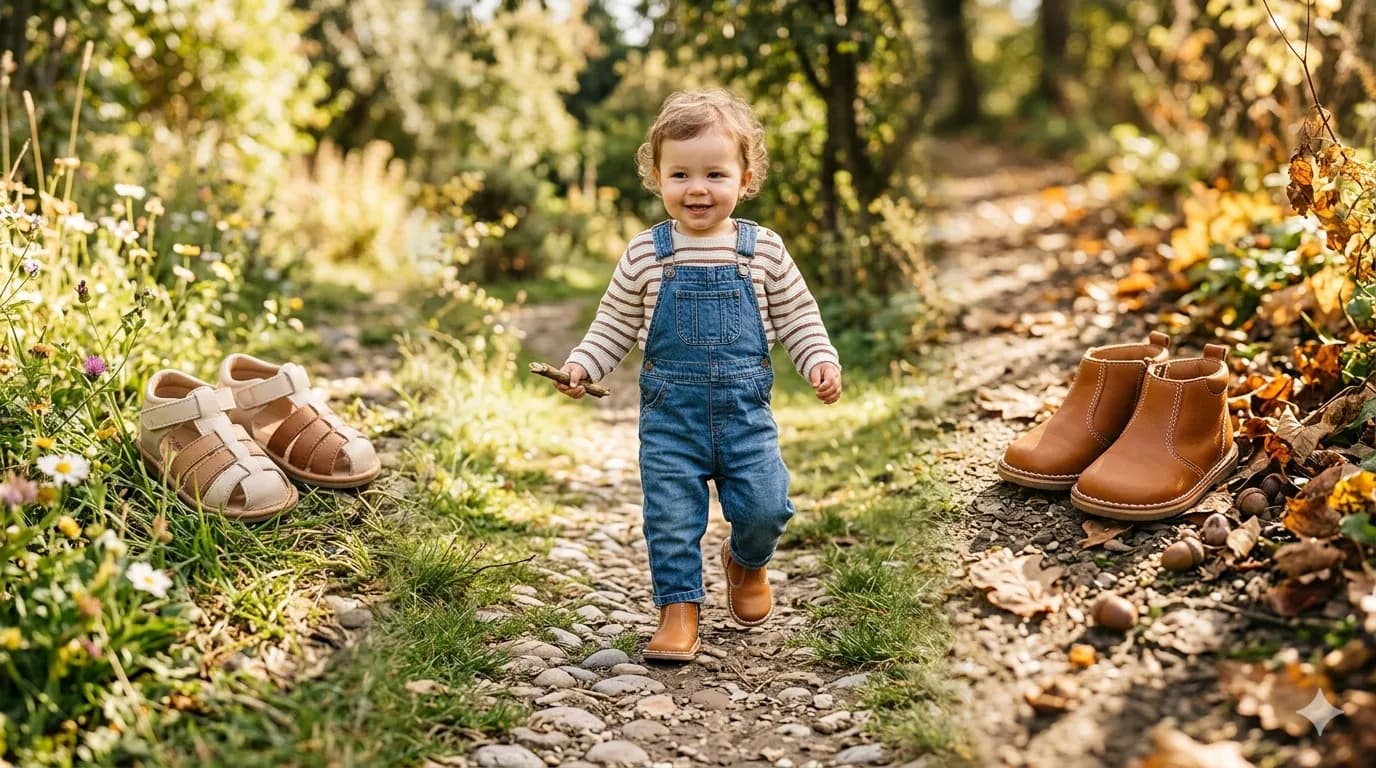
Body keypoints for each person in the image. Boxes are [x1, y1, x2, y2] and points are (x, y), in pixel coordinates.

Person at [554, 89, 842, 661]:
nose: (698, 188)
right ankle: (678, 610)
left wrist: (820, 360)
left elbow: (797, 314)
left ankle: (747, 561)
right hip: (670, 419)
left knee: (767, 504)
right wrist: (584, 364)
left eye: (715, 173)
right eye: (680, 174)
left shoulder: (761, 250)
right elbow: (614, 320)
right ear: (657, 177)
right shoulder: (646, 254)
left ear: (745, 176)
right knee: (671, 518)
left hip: (744, 415)